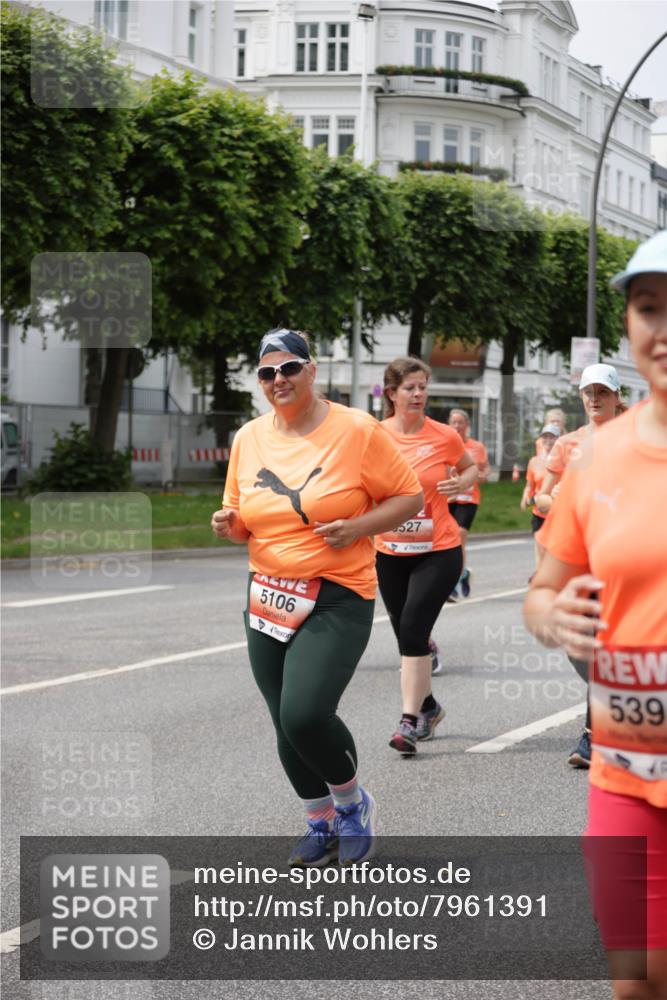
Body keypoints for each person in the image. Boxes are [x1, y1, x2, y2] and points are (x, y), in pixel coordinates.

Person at [211, 328, 423, 867]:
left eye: (288, 368)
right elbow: (243, 519)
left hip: (337, 594)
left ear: (311, 371)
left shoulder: (356, 429)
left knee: (305, 713)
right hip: (268, 594)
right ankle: (319, 819)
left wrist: (357, 528)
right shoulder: (249, 437)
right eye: (266, 372)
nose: (277, 380)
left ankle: (352, 804)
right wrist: (229, 524)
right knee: (282, 717)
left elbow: (407, 495)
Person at [523, 230, 667, 1000]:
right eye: (648, 308)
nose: (663, 327)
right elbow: (546, 585)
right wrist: (551, 616)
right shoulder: (598, 459)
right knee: (633, 983)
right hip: (624, 775)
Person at [375, 357, 478, 756]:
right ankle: (429, 707)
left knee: (415, 628)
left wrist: (460, 482)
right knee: (406, 633)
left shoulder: (443, 436)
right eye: (410, 388)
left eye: (423, 387)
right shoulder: (375, 436)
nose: (418, 394)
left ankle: (408, 721)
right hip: (390, 550)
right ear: (391, 393)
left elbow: (469, 469)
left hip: (439, 550)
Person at [537, 363, 624, 770]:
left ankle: (593, 734)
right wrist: (554, 502)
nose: (594, 398)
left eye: (602, 392)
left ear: (616, 396)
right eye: (588, 392)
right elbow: (541, 498)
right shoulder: (568, 444)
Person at [447, 408, 490, 599]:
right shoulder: (445, 443)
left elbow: (484, 468)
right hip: (449, 498)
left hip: (468, 499)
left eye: (460, 422)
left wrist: (482, 475)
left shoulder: (476, 447)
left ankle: (453, 583)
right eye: (454, 422)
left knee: (459, 537)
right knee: (447, 541)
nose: (457, 426)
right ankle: (462, 574)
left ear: (467, 425)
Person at [520, 422, 560, 570]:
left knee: (553, 550)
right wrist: (525, 497)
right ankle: (539, 575)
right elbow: (530, 485)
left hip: (557, 512)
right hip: (538, 511)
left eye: (552, 437)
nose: (548, 440)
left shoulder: (563, 460)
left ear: (558, 439)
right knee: (539, 546)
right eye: (545, 437)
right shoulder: (534, 461)